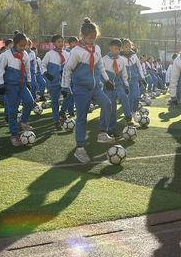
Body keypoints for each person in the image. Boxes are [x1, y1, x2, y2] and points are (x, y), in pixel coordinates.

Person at [61, 18, 115, 164]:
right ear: (83, 36)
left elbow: (101, 66)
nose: (92, 40)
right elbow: (68, 69)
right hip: (81, 90)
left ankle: (102, 133)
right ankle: (80, 148)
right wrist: (65, 87)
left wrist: (106, 80)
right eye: (90, 38)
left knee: (107, 104)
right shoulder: (76, 52)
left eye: (94, 38)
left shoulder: (96, 49)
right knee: (81, 118)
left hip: (96, 87)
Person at [0, 32, 34, 146]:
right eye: (21, 45)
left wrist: (28, 82)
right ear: (15, 44)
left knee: (29, 101)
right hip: (10, 86)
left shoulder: (25, 55)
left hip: (21, 84)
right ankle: (14, 135)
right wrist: (0, 86)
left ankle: (23, 121)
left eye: (25, 45)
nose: (23, 48)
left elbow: (27, 70)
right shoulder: (6, 55)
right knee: (13, 111)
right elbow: (0, 71)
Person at [102, 38, 132, 135]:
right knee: (112, 107)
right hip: (108, 85)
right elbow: (100, 74)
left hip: (118, 83)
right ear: (110, 48)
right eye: (114, 48)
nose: (117, 51)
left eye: (118, 49)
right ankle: (111, 129)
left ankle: (128, 117)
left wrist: (126, 86)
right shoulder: (104, 60)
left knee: (123, 95)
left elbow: (124, 74)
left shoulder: (122, 60)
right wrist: (104, 84)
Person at [42, 34, 69, 129]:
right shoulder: (49, 54)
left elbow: (69, 67)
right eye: (59, 41)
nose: (61, 43)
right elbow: (43, 65)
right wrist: (46, 74)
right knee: (55, 101)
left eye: (62, 41)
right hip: (53, 82)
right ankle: (56, 120)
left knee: (70, 95)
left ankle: (62, 112)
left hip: (65, 82)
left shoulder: (67, 54)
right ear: (54, 43)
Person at [121, 38, 146, 112]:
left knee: (136, 97)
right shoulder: (120, 57)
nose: (128, 48)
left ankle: (134, 111)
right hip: (126, 82)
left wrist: (142, 77)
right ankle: (129, 113)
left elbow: (139, 67)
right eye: (126, 47)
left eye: (129, 46)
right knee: (129, 98)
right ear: (122, 48)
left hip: (135, 80)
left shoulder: (134, 56)